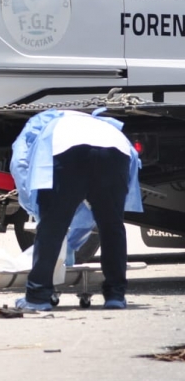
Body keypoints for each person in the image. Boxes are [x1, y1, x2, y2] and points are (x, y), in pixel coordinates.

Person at [10, 108, 142, 310]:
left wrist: (32, 206)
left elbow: (19, 161)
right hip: (116, 152)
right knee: (111, 226)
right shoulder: (104, 124)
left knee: (52, 226)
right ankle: (115, 296)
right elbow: (131, 163)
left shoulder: (39, 122)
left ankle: (38, 297)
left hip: (67, 151)